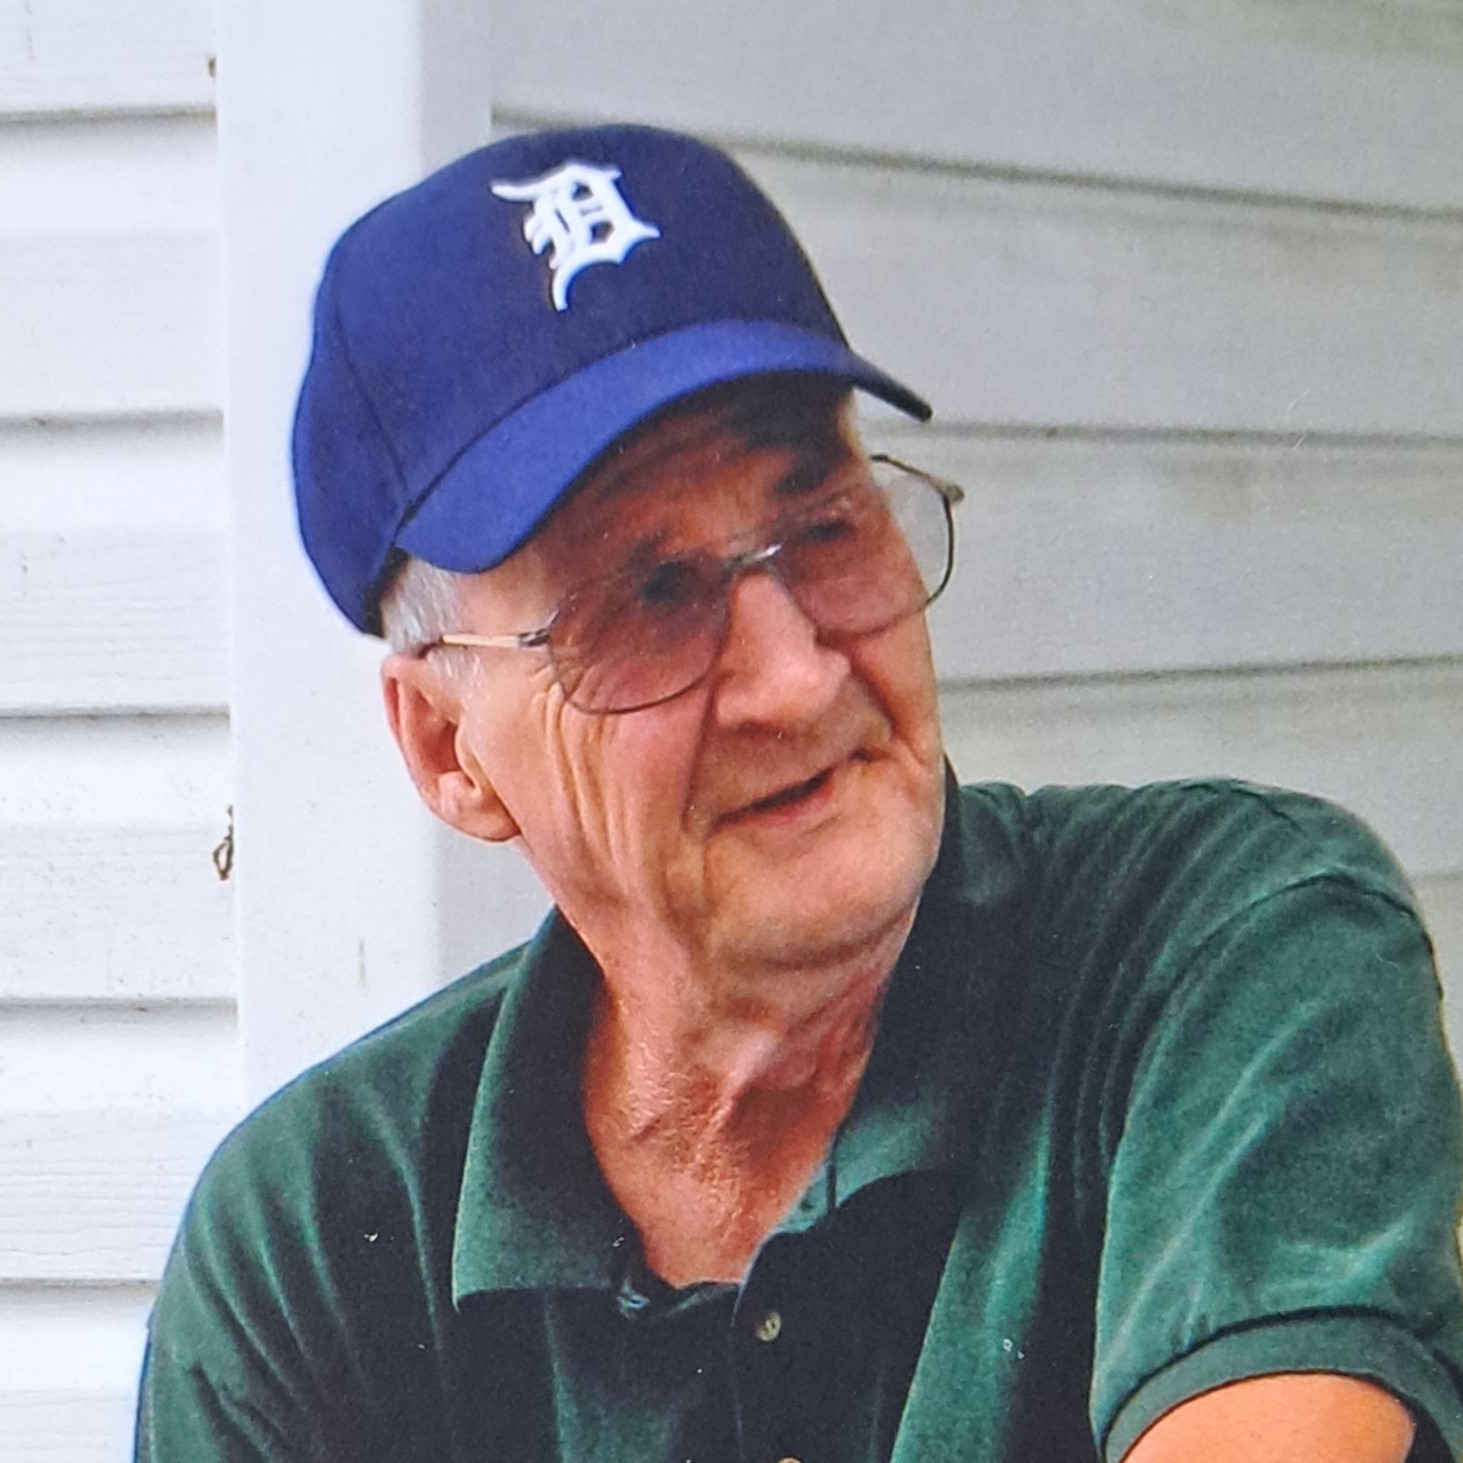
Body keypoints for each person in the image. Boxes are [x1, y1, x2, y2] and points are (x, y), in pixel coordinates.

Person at [136, 124, 1463, 1462]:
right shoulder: (311, 1242)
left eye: (823, 528)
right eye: (649, 597)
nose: (794, 676)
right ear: (447, 747)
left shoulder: (1221, 944)